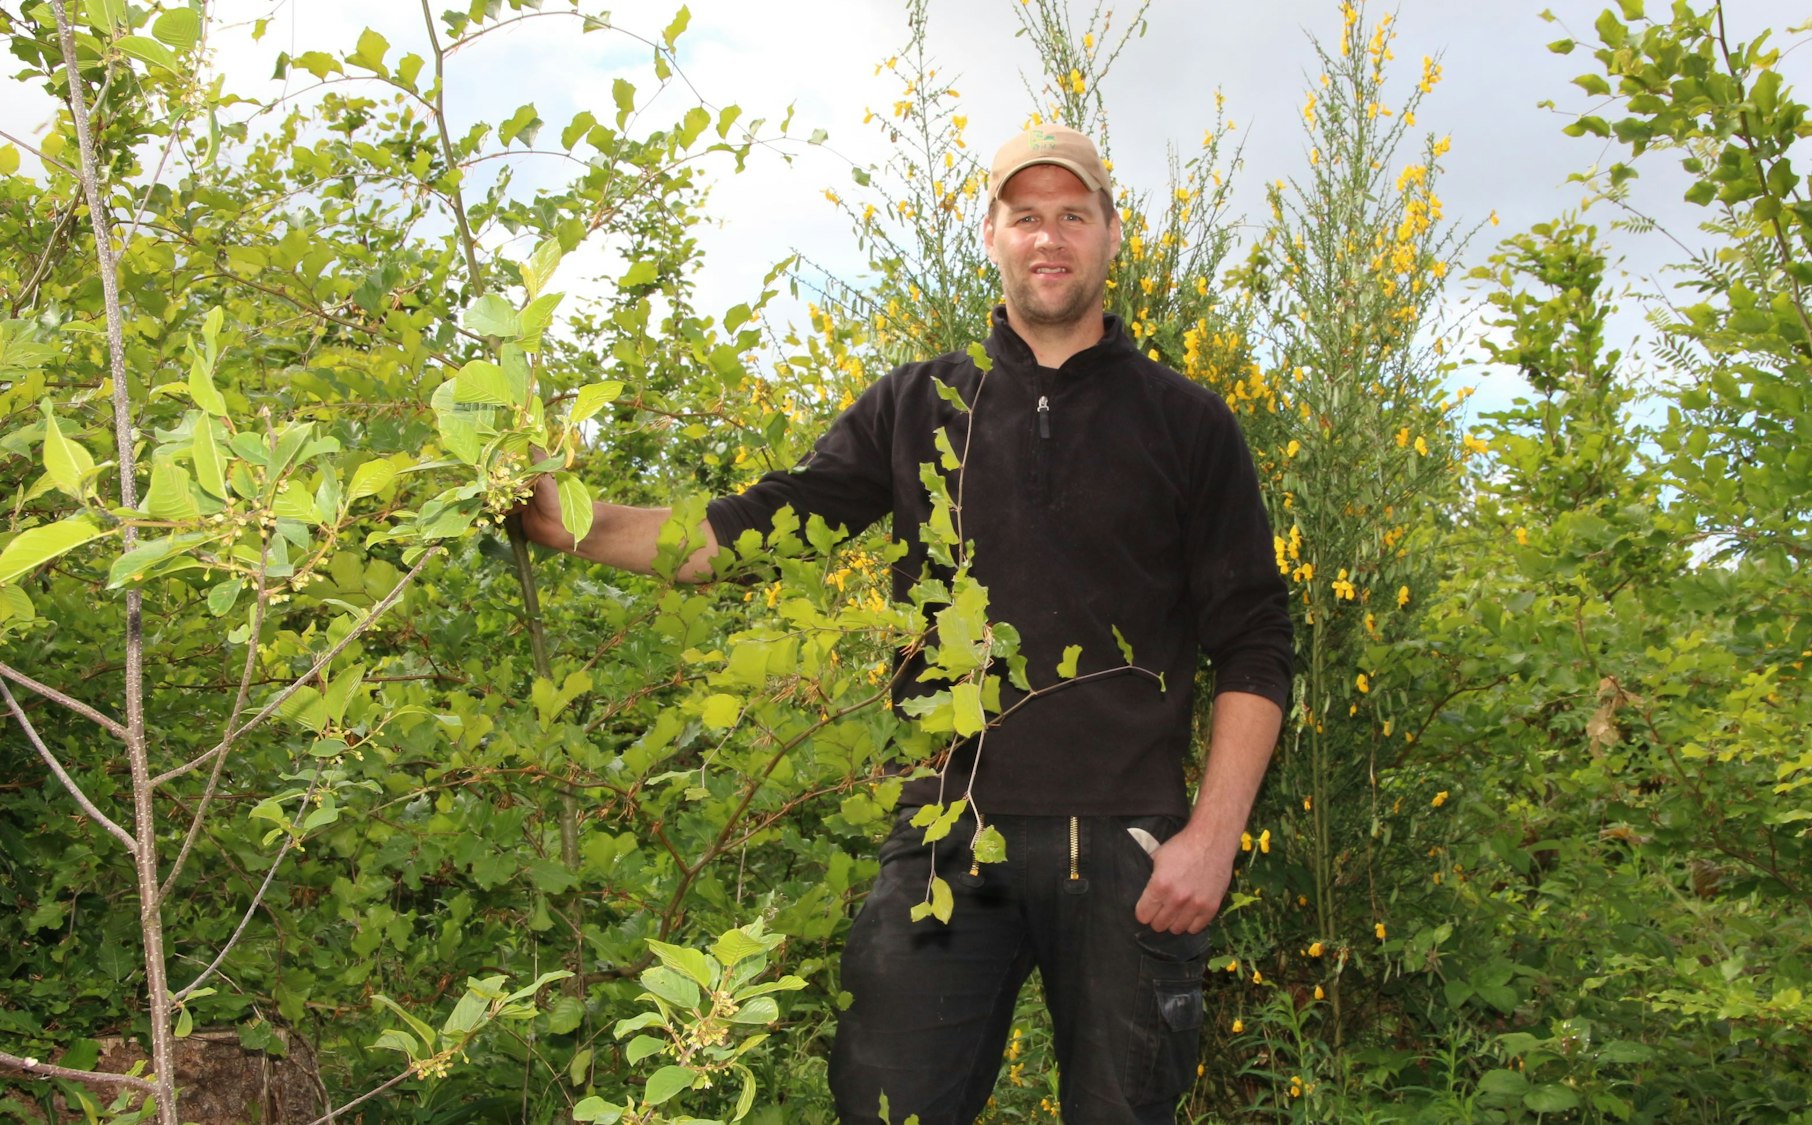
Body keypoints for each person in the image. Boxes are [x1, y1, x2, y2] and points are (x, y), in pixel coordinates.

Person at [518, 123, 1292, 1125]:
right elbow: (745, 535)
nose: (1046, 236)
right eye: (1024, 215)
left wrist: (1211, 839)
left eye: (1071, 213)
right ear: (989, 235)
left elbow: (1255, 643)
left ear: (1110, 235)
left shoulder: (1187, 424)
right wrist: (561, 522)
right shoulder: (917, 405)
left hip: (1127, 850)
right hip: (943, 837)